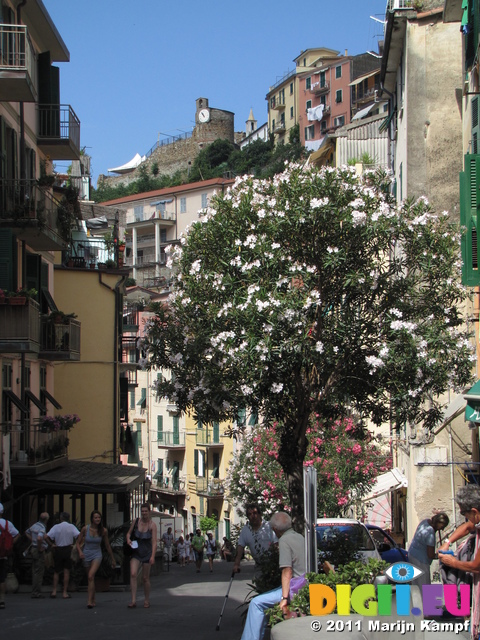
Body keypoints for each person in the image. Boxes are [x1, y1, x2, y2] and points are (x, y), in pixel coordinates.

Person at [241, 511, 305, 640]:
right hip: (304, 582)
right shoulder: (300, 537)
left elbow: (287, 570)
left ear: (275, 530)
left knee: (256, 603)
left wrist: (284, 598)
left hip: (295, 587)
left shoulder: (284, 540)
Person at [438, 485, 480, 640]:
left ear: (475, 512)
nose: (465, 517)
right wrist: (448, 541)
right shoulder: (477, 522)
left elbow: (477, 566)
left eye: (464, 513)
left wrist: (452, 562)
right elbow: (468, 527)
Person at [76, 510, 115, 609]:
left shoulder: (103, 531)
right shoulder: (85, 529)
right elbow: (77, 542)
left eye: (99, 517)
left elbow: (107, 545)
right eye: (95, 517)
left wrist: (112, 559)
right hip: (86, 554)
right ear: (92, 519)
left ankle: (89, 601)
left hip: (97, 555)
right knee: (90, 578)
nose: (97, 519)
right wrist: (80, 552)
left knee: (90, 575)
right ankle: (93, 598)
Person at [126, 503, 157, 609]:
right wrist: (128, 539)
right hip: (136, 552)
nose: (144, 513)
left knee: (145, 578)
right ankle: (133, 600)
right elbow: (128, 533)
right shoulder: (136, 521)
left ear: (149, 512)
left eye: (146, 511)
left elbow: (154, 542)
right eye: (142, 511)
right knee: (133, 574)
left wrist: (152, 556)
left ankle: (147, 600)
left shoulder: (152, 525)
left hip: (147, 553)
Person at [233, 504, 277, 577]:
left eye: (255, 513)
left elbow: (276, 544)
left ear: (260, 514)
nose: (253, 516)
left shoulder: (268, 526)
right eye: (250, 514)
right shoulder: (246, 530)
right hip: (259, 566)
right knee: (260, 585)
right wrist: (236, 564)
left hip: (273, 564)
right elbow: (240, 546)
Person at [408, 511, 449, 586]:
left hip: (412, 554)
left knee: (416, 584)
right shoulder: (430, 533)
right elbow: (430, 555)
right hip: (421, 561)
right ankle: (427, 598)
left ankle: (417, 597)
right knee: (425, 585)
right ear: (439, 523)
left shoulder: (425, 522)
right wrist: (439, 555)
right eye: (443, 526)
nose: (442, 529)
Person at [46, 511, 80, 599]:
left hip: (58, 549)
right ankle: (65, 592)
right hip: (68, 549)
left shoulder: (56, 527)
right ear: (68, 518)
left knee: (56, 571)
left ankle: (54, 591)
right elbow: (79, 535)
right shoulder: (71, 526)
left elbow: (46, 536)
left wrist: (51, 544)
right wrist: (76, 544)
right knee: (66, 571)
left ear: (60, 518)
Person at [26, 512, 50, 598]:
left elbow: (27, 532)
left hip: (33, 548)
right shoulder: (42, 527)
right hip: (38, 549)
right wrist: (40, 547)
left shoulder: (35, 525)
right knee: (39, 571)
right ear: (46, 520)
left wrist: (33, 540)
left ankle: (34, 590)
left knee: (34, 570)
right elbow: (40, 538)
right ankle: (37, 592)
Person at [0, 502, 19, 610]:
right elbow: (17, 535)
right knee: (2, 579)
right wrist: (9, 546)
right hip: (3, 555)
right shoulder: (7, 524)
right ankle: (1, 601)